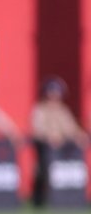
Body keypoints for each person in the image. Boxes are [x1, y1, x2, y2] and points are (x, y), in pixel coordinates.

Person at [31, 77, 89, 206]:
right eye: (51, 94)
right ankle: (41, 200)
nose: (54, 98)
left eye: (56, 94)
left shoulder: (63, 111)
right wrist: (50, 136)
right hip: (46, 150)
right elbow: (37, 130)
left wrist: (80, 136)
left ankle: (72, 200)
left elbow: (71, 128)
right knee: (42, 171)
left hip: (64, 151)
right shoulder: (40, 110)